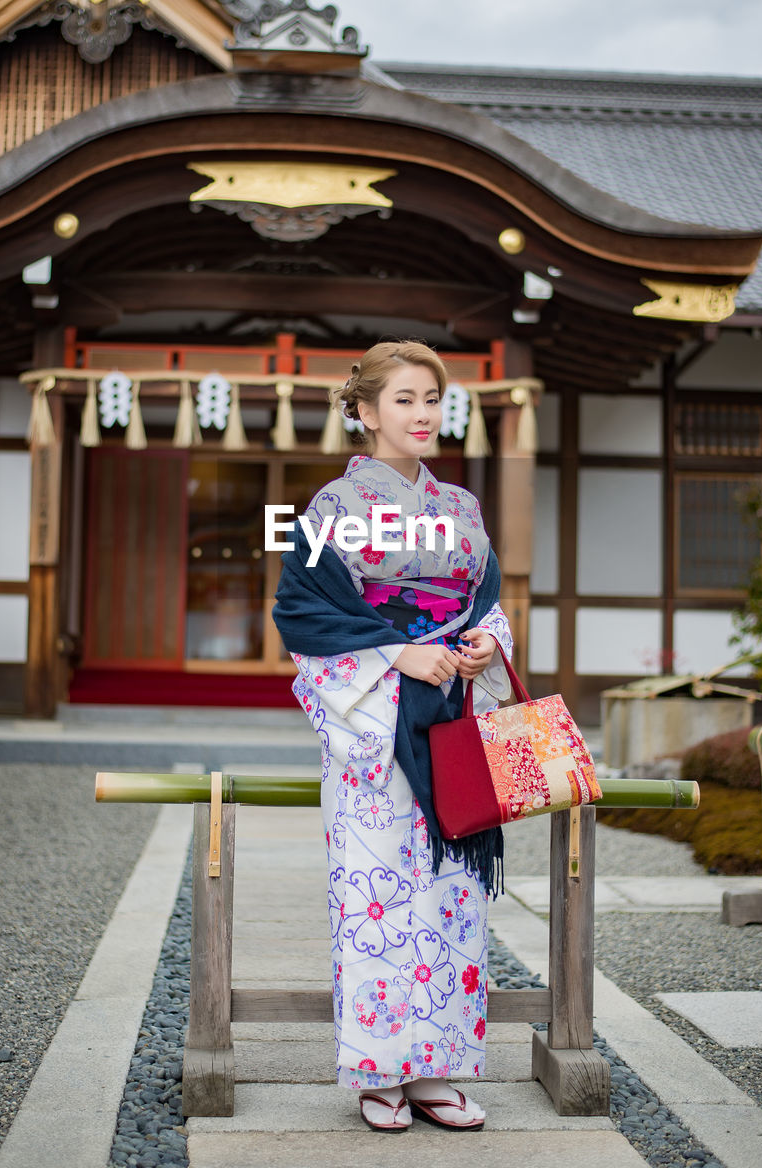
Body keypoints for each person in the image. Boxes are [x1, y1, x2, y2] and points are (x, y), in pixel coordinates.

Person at [272, 340, 513, 1133]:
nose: (421, 415)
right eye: (404, 400)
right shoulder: (327, 512)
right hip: (373, 726)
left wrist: (485, 645)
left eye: (432, 401)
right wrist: (394, 652)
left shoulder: (464, 511)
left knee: (452, 900)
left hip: (449, 716)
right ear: (366, 411)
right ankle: (379, 1073)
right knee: (376, 901)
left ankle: (438, 1068)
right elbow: (302, 615)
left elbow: (484, 603)